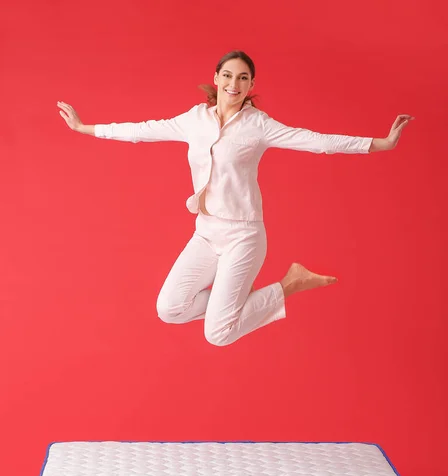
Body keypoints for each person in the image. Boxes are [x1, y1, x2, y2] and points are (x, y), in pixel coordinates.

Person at [57, 50, 414, 347]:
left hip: (244, 235)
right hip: (206, 232)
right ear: (216, 78)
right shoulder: (194, 119)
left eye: (243, 78)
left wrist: (379, 143)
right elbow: (141, 131)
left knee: (218, 333)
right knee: (169, 309)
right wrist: (85, 128)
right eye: (228, 75)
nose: (234, 84)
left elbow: (316, 141)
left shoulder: (258, 125)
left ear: (251, 85)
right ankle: (236, 302)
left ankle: (291, 283)